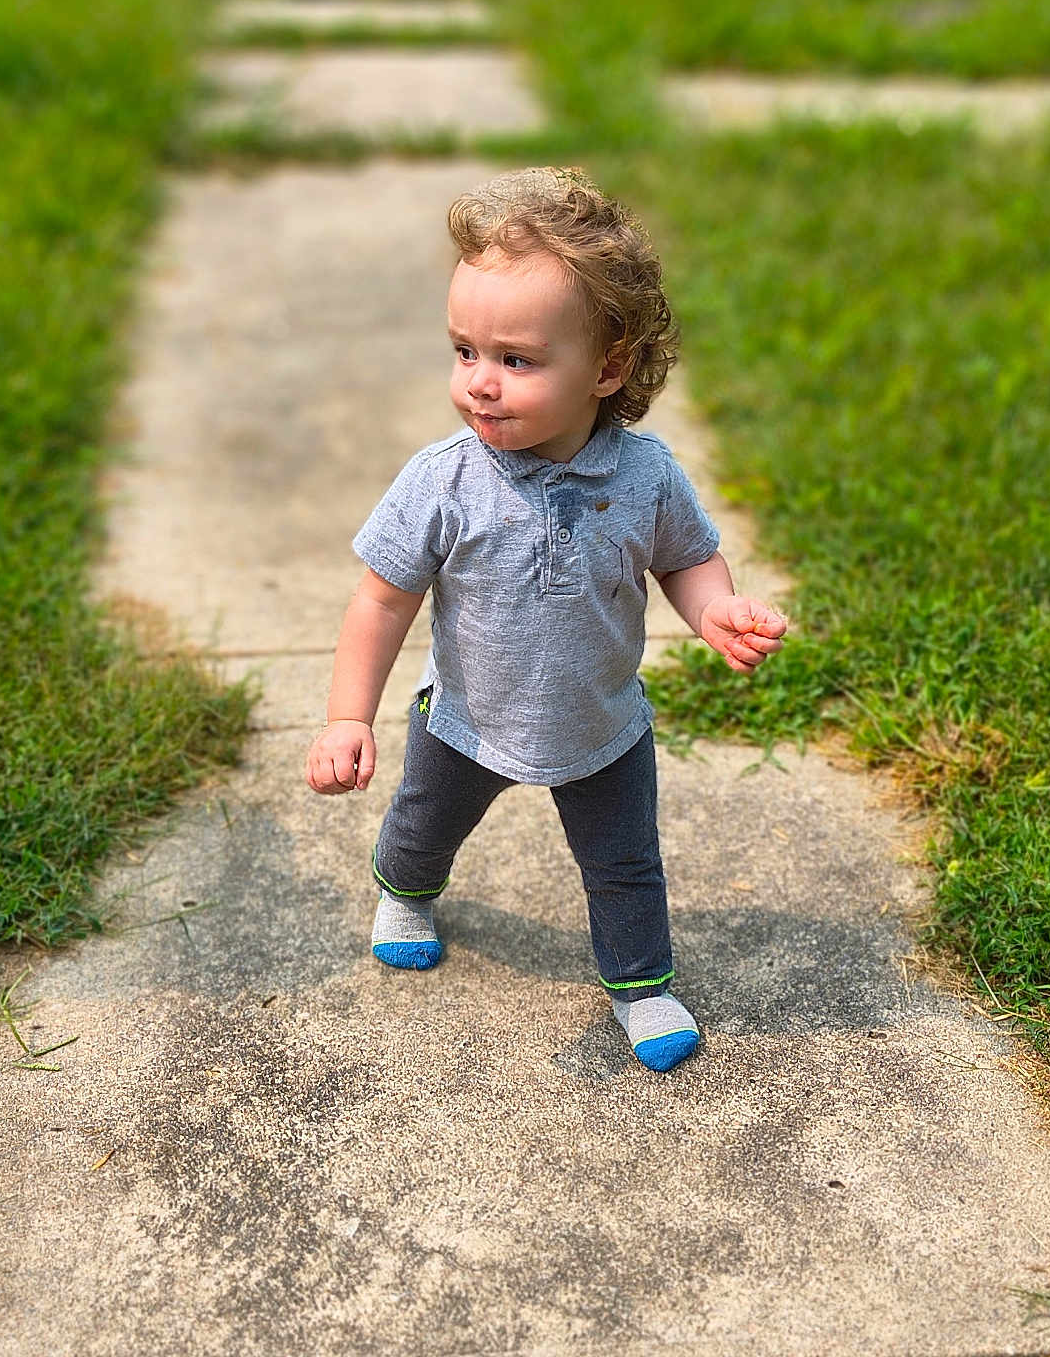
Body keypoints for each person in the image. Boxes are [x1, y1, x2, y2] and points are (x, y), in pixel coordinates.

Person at [304, 168, 786, 1073]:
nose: (480, 385)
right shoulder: (444, 481)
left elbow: (685, 559)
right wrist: (346, 717)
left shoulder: (645, 477)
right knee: (424, 826)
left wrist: (716, 608)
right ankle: (404, 892)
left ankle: (641, 986)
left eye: (516, 361)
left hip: (601, 727)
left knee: (626, 868)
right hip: (466, 719)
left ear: (608, 369)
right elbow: (381, 598)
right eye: (464, 352)